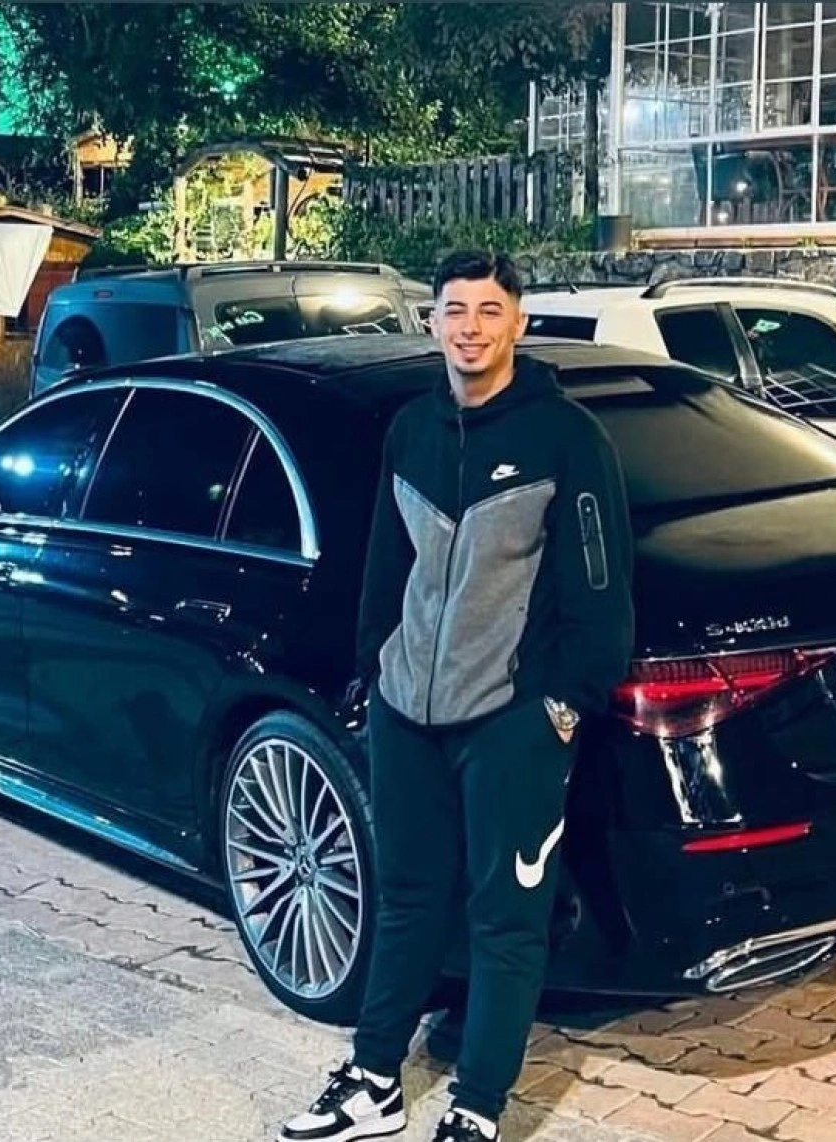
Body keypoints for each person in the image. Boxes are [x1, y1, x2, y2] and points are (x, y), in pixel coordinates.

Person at [278, 250, 635, 1142]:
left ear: (518, 323)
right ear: (432, 322)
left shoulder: (566, 438)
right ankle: (373, 1082)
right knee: (405, 900)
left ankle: (477, 1105)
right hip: (408, 710)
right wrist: (375, 670)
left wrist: (563, 704)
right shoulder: (412, 429)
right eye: (455, 311)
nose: (470, 328)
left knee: (505, 921)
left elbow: (600, 588)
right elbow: (383, 564)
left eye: (488, 311)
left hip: (512, 717)